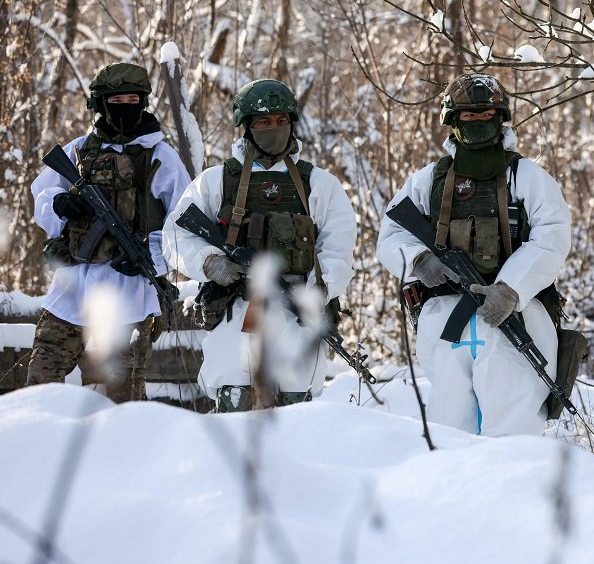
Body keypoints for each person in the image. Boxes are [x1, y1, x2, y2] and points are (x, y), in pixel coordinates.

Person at [376, 73, 572, 436]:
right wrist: (420, 259)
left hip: (516, 315)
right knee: (450, 428)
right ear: (453, 120)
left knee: (514, 425)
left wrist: (511, 288)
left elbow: (552, 238)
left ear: (501, 118)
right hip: (443, 317)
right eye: (469, 115)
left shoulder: (527, 177)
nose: (479, 122)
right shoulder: (427, 180)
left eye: (487, 114)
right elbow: (390, 235)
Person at [162, 79, 357, 412]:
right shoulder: (216, 181)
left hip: (296, 312)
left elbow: (338, 247)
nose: (274, 128)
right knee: (234, 403)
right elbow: (175, 235)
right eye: (264, 122)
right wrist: (209, 262)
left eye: (281, 121)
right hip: (235, 308)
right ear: (247, 127)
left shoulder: (319, 183)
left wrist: (317, 292)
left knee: (298, 409)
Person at [28, 62, 191, 402]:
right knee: (40, 386)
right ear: (101, 105)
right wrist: (59, 205)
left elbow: (184, 221)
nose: (125, 107)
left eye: (133, 99)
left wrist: (153, 255)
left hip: (129, 295)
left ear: (143, 102)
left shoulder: (161, 157)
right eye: (116, 101)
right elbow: (41, 195)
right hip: (71, 290)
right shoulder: (79, 150)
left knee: (122, 400)